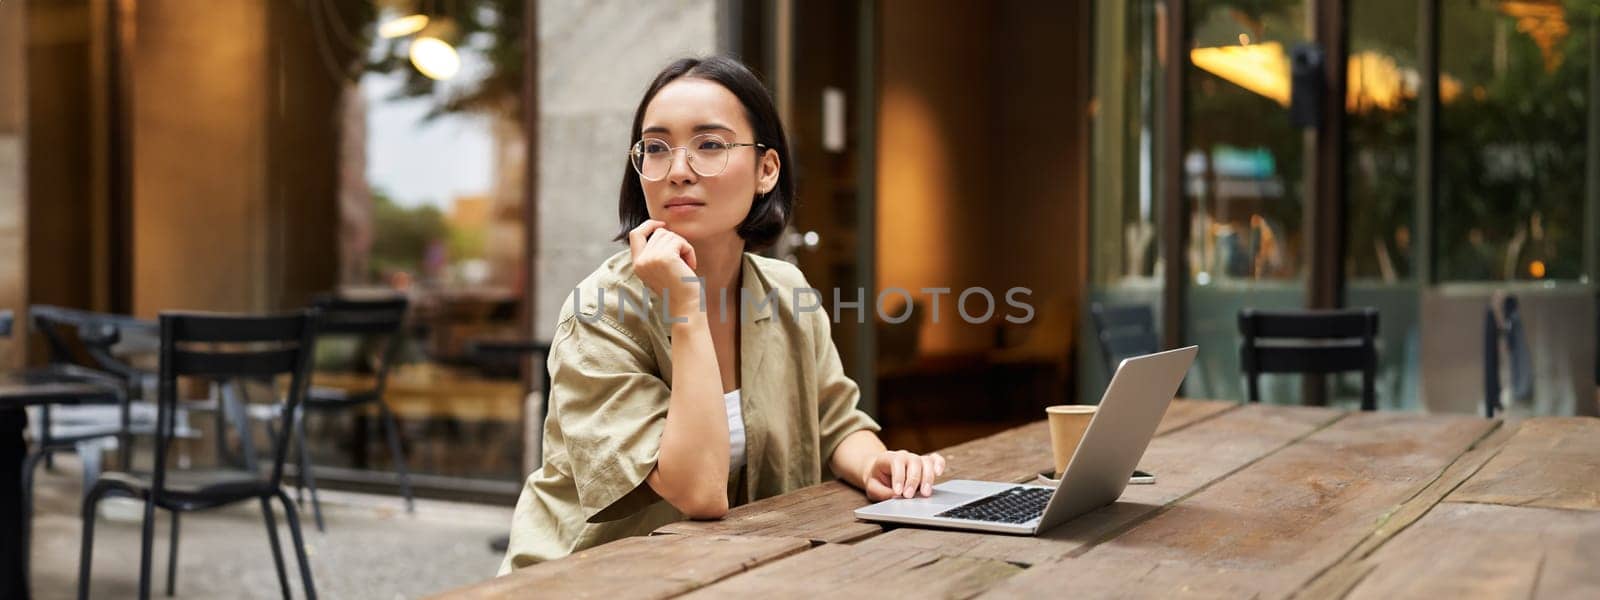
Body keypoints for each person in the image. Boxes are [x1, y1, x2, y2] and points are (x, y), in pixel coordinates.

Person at [499, 56, 945, 572]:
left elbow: (835, 422)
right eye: (657, 148)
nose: (679, 170)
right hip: (592, 578)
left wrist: (878, 464)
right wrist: (686, 305)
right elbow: (699, 490)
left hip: (739, 571)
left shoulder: (785, 290)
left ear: (766, 170)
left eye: (710, 145)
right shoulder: (600, 313)